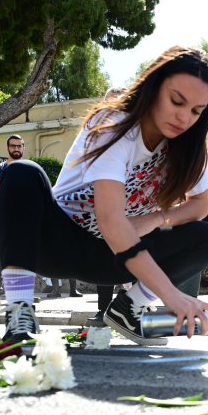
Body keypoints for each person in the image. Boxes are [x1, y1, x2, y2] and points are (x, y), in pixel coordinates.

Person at [0, 45, 208, 349]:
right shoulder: (114, 122)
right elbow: (110, 218)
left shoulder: (189, 147)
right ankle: (20, 315)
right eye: (176, 101)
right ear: (153, 88)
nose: (184, 118)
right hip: (57, 243)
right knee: (22, 171)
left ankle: (128, 310)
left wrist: (153, 220)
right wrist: (171, 294)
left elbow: (200, 205)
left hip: (113, 258)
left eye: (196, 111)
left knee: (206, 237)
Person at [88, 86, 129, 325]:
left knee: (130, 257)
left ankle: (129, 310)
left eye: (117, 103)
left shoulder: (135, 133)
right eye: (108, 103)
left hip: (130, 207)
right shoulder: (94, 134)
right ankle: (102, 311)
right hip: (101, 206)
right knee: (104, 259)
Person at [0, 135, 26, 305]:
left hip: (24, 220)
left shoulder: (29, 169)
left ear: (23, 148)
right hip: (3, 220)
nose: (16, 149)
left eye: (19, 146)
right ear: (7, 148)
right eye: (13, 146)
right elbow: (0, 190)